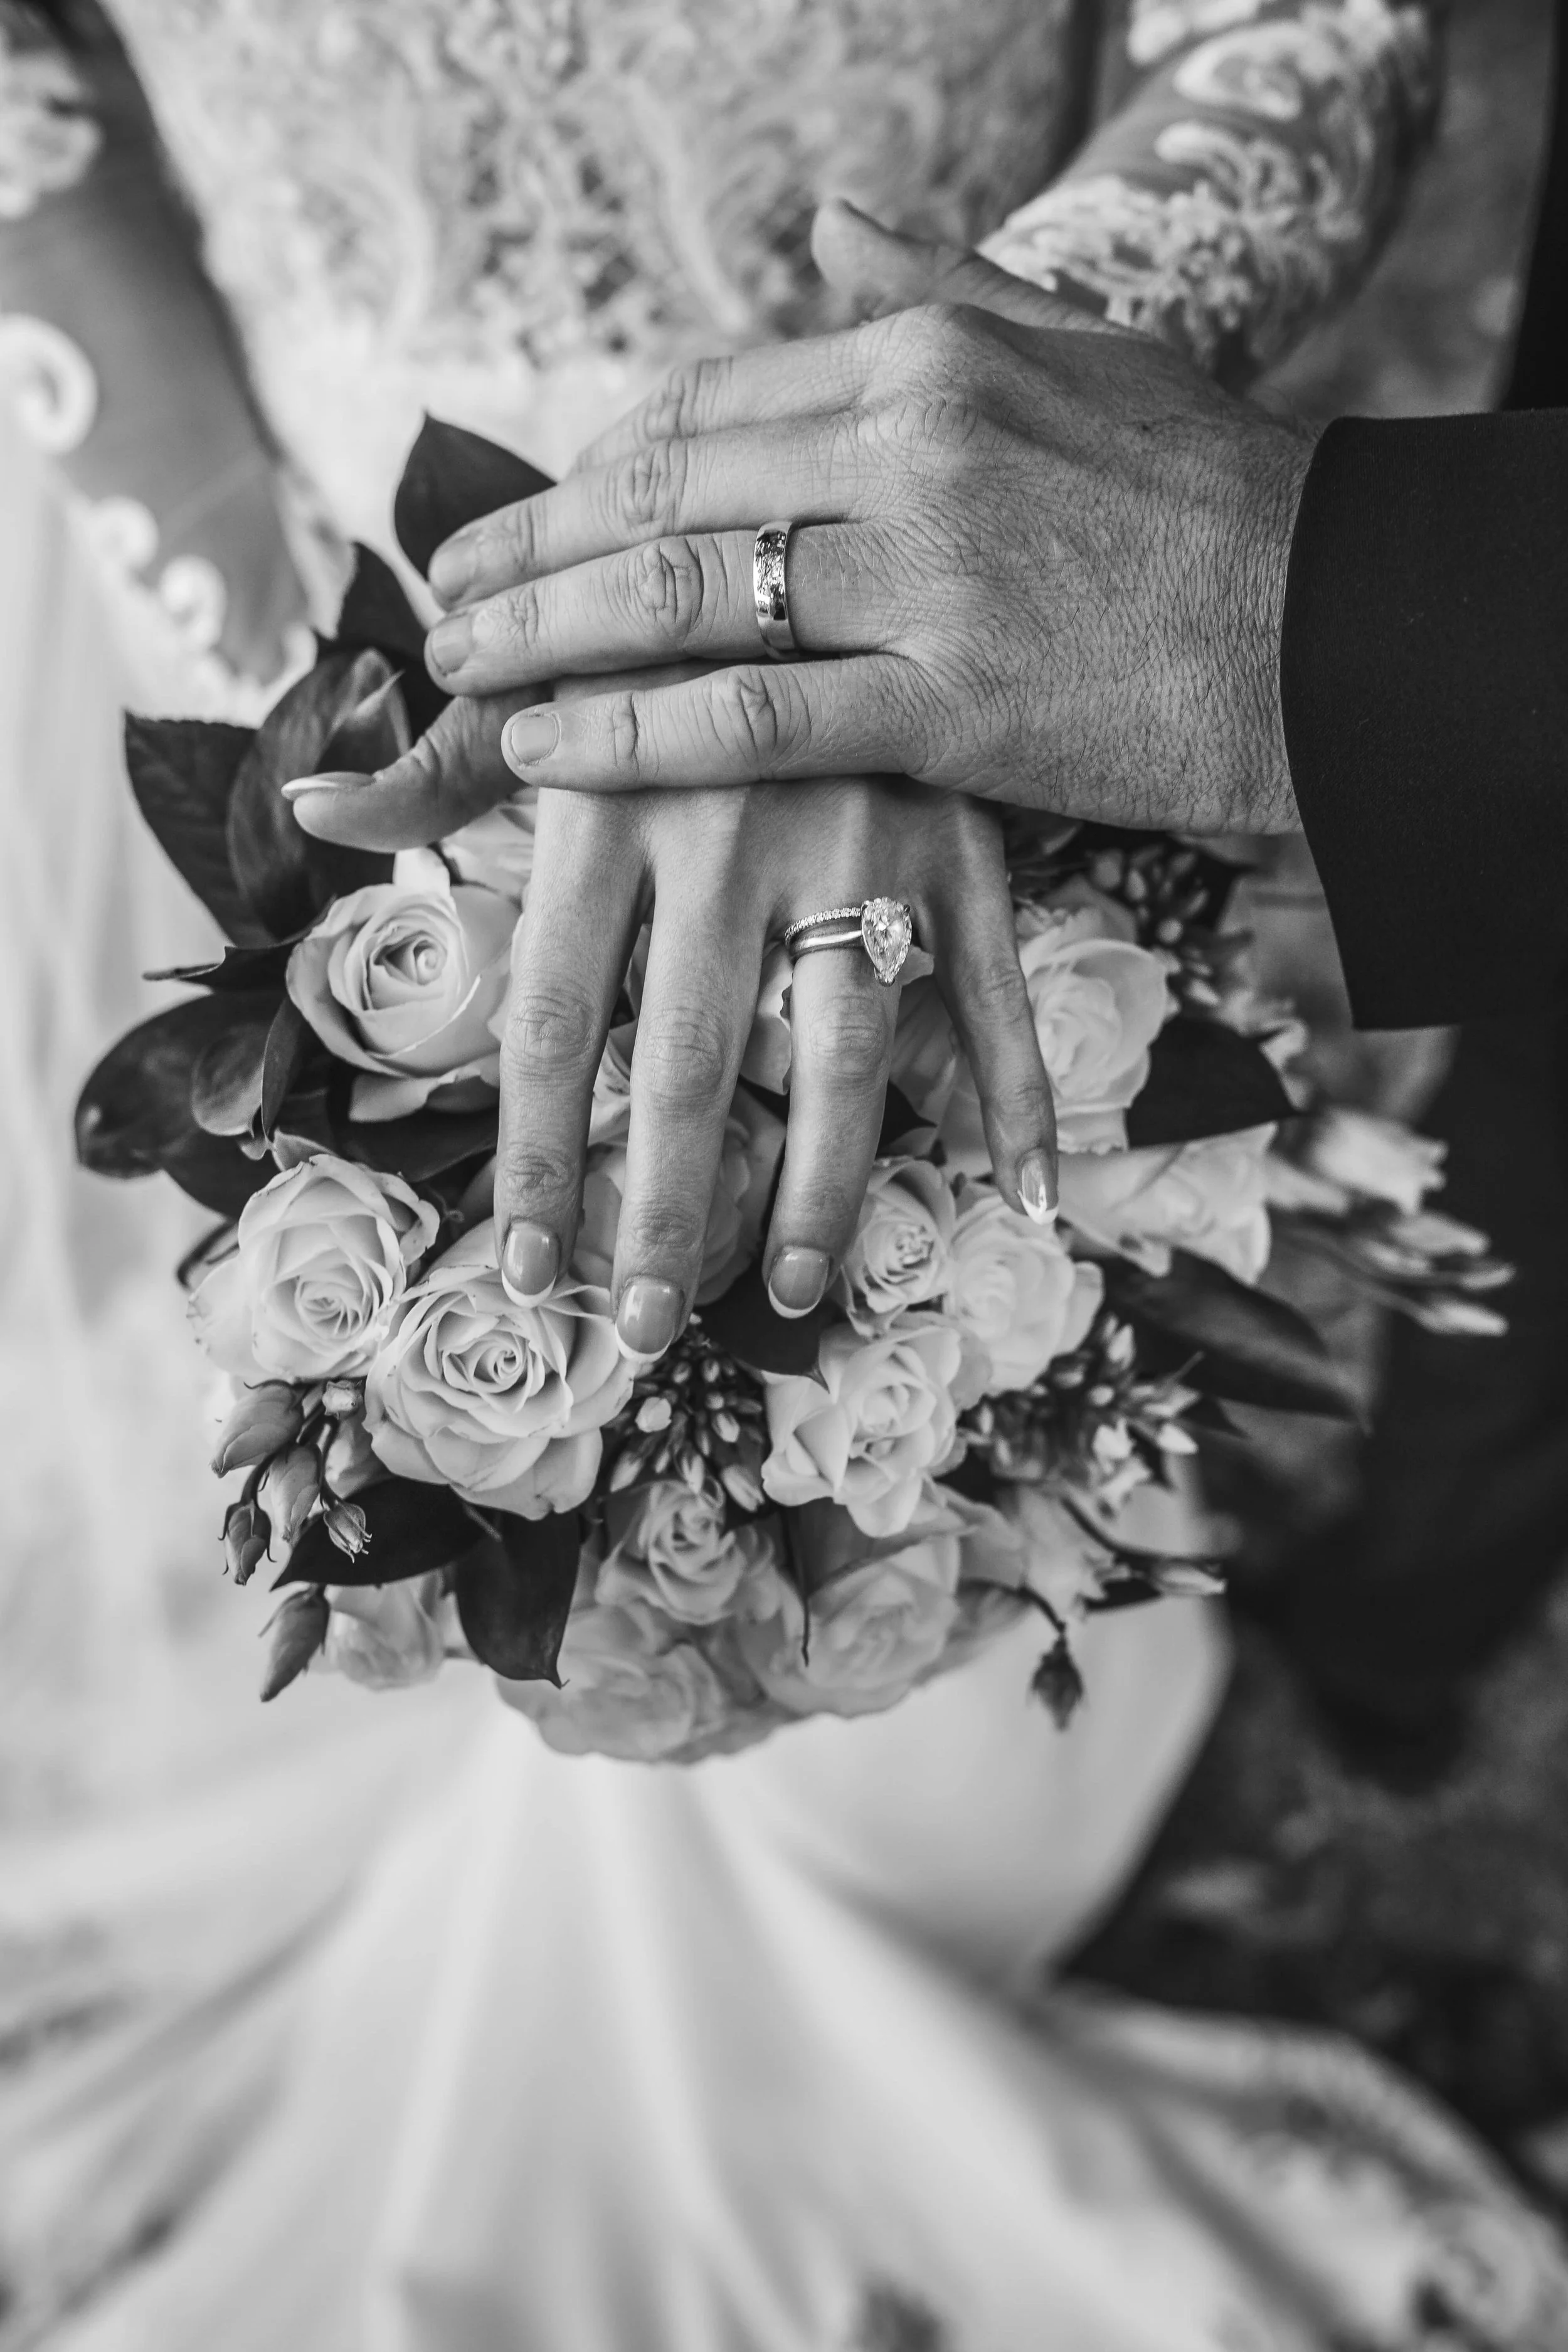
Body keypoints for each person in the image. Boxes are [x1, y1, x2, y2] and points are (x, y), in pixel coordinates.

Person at [8, 4, 1568, 2346]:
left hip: (990, 577)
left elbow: (1311, 28)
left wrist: (899, 559)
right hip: (295, 575)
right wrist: (347, 734)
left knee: (916, 1443)